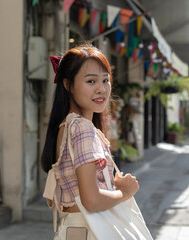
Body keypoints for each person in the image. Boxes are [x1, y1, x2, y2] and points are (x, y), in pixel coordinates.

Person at [41, 44, 140, 239]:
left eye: (105, 80)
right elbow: (92, 200)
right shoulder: (82, 128)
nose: (101, 89)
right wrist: (126, 192)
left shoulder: (65, 127)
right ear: (68, 84)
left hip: (72, 228)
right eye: (91, 81)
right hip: (90, 229)